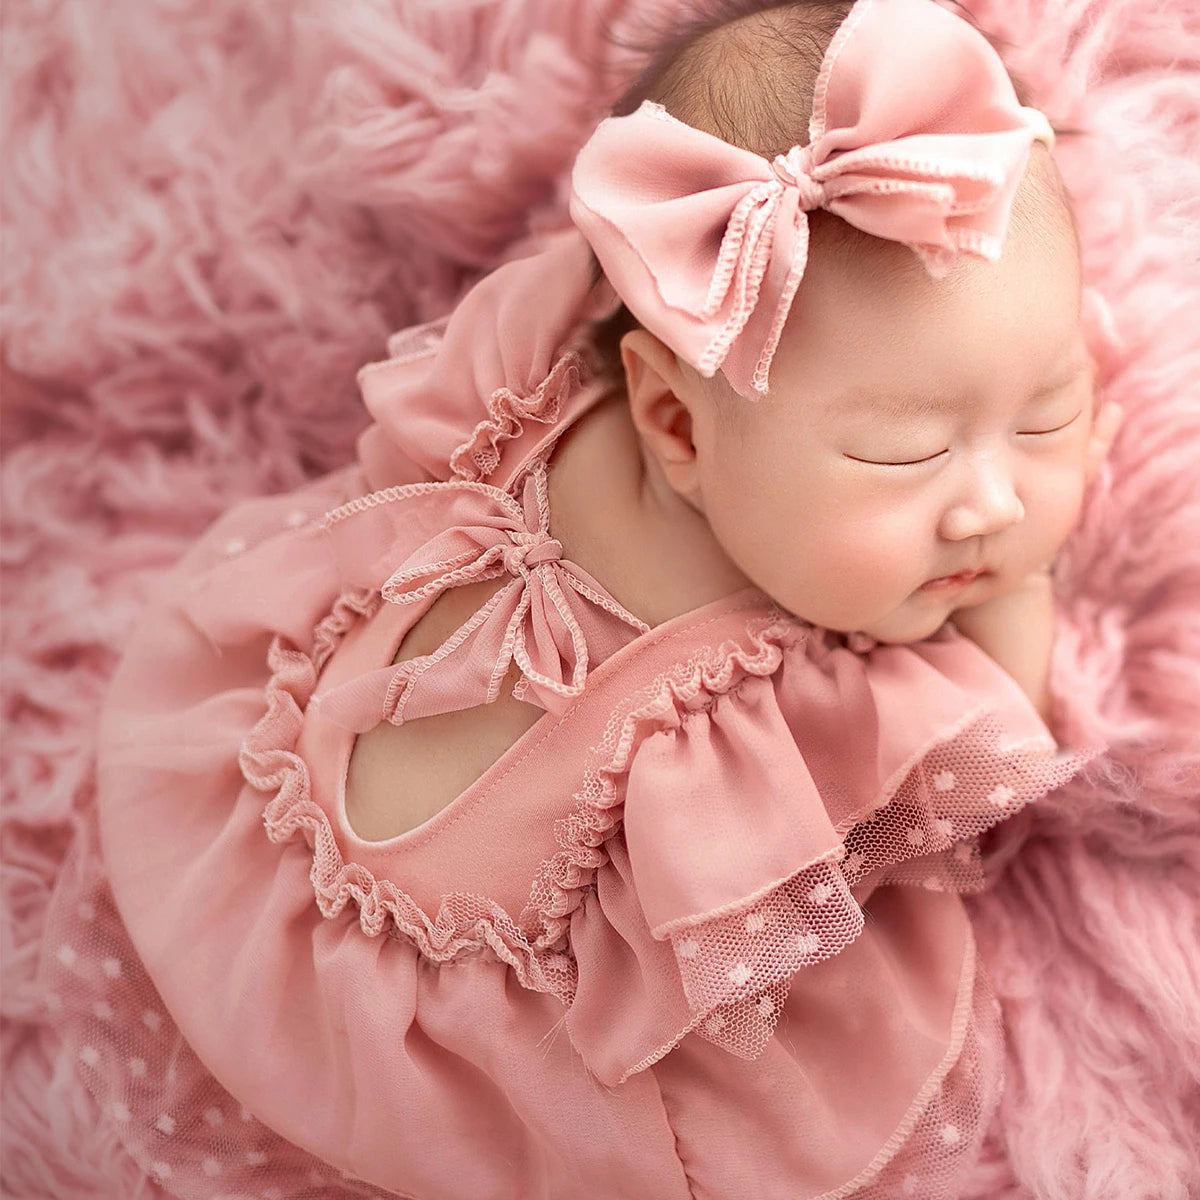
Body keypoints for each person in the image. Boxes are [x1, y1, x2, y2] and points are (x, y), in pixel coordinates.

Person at [36, 0, 1123, 1196]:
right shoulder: (801, 704)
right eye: (901, 458)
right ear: (673, 422)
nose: (989, 507)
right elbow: (981, 758)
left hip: (261, 848)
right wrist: (1018, 597)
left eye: (1046, 417)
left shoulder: (556, 364)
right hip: (477, 1048)